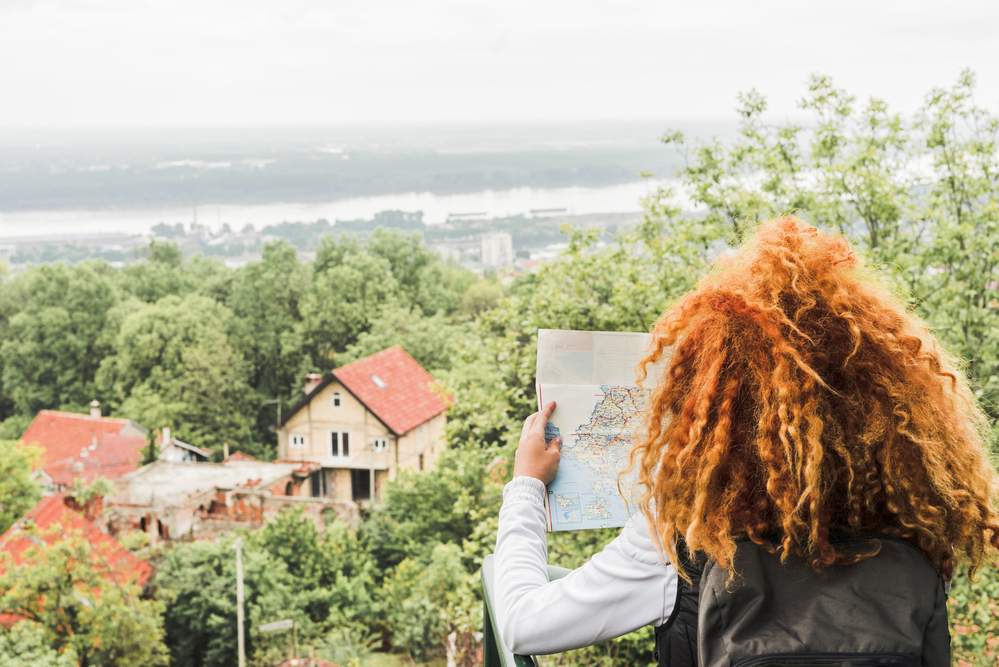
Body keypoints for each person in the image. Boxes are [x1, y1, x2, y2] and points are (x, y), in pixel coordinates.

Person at [494, 217, 999, 666]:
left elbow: (522, 621)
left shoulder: (680, 542)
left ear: (712, 405)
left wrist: (526, 487)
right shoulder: (910, 528)